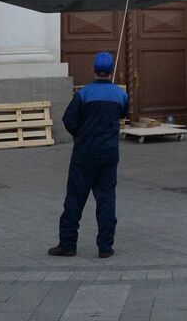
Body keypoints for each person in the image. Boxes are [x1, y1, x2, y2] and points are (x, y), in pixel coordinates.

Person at [50, 50, 129, 259]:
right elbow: (124, 114)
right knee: (106, 200)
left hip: (84, 154)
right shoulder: (120, 94)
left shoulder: (83, 94)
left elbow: (68, 120)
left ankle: (67, 244)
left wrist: (82, 134)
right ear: (111, 71)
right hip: (109, 155)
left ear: (93, 69)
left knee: (75, 199)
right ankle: (105, 247)